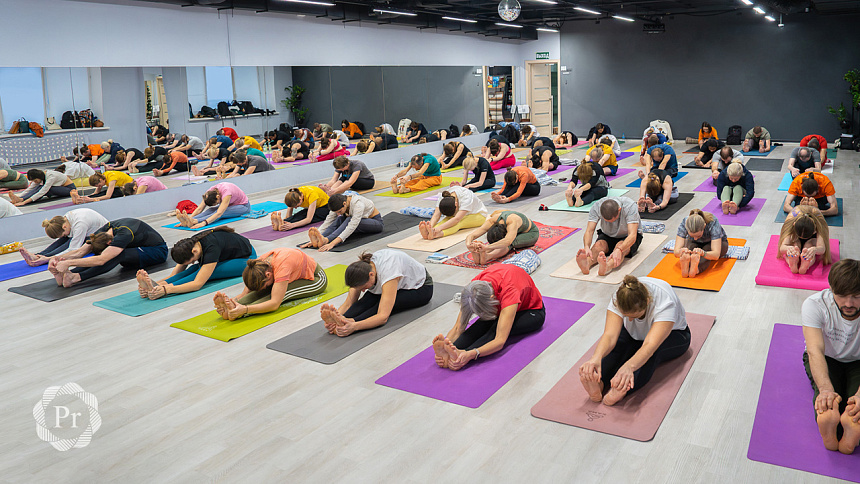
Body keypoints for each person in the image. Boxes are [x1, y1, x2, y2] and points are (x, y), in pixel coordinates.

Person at [579, 275, 689, 405]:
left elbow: (649, 345)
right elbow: (610, 335)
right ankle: (599, 383)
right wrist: (595, 358)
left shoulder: (665, 303)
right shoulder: (620, 297)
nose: (630, 320)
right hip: (636, 335)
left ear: (647, 302)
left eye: (635, 316)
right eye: (626, 316)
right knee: (619, 345)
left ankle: (621, 389)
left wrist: (628, 367)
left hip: (676, 335)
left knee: (650, 355)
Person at [433, 264, 544, 370]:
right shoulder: (474, 289)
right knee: (479, 326)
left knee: (494, 329)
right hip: (499, 307)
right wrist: (446, 346)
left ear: (491, 298)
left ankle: (460, 355)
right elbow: (459, 327)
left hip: (531, 311)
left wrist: (471, 354)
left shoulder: (510, 291)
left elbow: (500, 340)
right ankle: (454, 351)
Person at [800, 259, 860, 454]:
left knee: (855, 410)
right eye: (842, 296)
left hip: (858, 362)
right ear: (831, 289)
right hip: (826, 358)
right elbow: (814, 350)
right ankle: (830, 425)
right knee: (827, 402)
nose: (849, 303)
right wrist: (825, 389)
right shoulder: (814, 304)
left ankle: (849, 434)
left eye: (857, 296)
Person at [318, 250, 433, 337]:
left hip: (421, 288)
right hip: (394, 285)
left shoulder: (389, 273)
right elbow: (349, 303)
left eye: (363, 287)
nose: (362, 290)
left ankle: (350, 322)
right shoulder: (360, 270)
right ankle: (345, 321)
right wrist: (338, 317)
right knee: (367, 299)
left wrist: (355, 326)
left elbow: (382, 317)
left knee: (382, 304)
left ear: (371, 275)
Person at [136, 227, 256, 300]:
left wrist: (166, 290)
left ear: (194, 251)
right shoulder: (191, 244)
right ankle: (155, 287)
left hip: (246, 260)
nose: (193, 262)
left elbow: (198, 284)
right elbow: (179, 270)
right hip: (229, 255)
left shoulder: (211, 247)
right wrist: (157, 284)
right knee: (192, 269)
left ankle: (158, 288)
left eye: (192, 260)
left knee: (201, 272)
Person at [47, 217, 168, 288]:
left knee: (117, 255)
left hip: (157, 252)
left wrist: (68, 263)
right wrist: (56, 258)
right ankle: (67, 275)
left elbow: (102, 260)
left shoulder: (124, 234)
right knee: (106, 254)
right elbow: (80, 252)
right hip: (137, 251)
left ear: (110, 243)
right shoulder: (102, 231)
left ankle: (76, 277)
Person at [212, 248, 328, 321]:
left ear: (268, 275)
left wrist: (245, 309)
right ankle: (234, 307)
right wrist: (237, 299)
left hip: (316, 279)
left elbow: (274, 304)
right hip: (290, 273)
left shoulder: (282, 266)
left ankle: (237, 312)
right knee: (263, 289)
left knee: (280, 294)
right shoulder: (258, 264)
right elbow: (251, 286)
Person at [577, 197, 643, 276]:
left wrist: (619, 249)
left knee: (620, 246)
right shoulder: (596, 207)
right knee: (598, 245)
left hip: (627, 236)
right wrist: (586, 246)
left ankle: (607, 266)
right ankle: (587, 263)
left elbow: (632, 235)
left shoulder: (630, 206)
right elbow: (589, 231)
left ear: (619, 210)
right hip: (607, 234)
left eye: (613, 220)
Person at [19, 208, 108, 266]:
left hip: (101, 237)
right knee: (64, 239)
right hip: (88, 232)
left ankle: (42, 257)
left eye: (64, 233)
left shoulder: (80, 224)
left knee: (68, 241)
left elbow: (73, 250)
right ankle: (38, 255)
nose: (65, 235)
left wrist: (50, 259)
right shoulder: (64, 219)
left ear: (64, 227)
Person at [301, 193, 383, 252]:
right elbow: (328, 221)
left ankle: (326, 240)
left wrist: (332, 243)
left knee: (348, 220)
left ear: (344, 204)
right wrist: (318, 234)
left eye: (339, 211)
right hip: (360, 222)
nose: (338, 213)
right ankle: (322, 238)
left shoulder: (358, 204)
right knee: (340, 219)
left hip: (376, 223)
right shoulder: (338, 202)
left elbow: (351, 226)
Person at [464, 210, 538, 265]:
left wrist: (486, 247)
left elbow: (507, 241)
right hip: (515, 230)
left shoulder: (512, 222)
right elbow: (472, 235)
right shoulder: (492, 221)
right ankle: (479, 251)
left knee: (509, 243)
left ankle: (488, 256)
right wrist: (469, 244)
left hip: (530, 233)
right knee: (496, 244)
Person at [673, 209, 728, 278]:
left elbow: (716, 255)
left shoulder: (713, 222)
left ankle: (696, 269)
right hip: (695, 243)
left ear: (704, 226)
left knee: (706, 250)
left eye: (698, 236)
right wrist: (681, 251)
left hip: (715, 243)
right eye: (692, 236)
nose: (695, 238)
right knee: (689, 250)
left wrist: (703, 253)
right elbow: (676, 252)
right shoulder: (685, 222)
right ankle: (688, 268)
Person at [779, 205, 832, 274]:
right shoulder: (791, 220)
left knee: (809, 248)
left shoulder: (819, 224)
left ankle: (806, 265)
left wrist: (814, 249)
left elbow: (822, 249)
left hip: (812, 240)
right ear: (794, 225)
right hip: (795, 239)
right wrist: (788, 248)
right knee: (794, 247)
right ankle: (792, 262)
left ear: (814, 231)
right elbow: (782, 248)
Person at [419, 186, 488, 240]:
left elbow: (457, 219)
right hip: (459, 215)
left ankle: (436, 234)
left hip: (478, 215)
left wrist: (438, 229)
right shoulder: (444, 196)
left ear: (456, 204)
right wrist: (430, 226)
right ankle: (429, 232)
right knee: (447, 220)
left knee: (458, 223)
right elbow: (436, 215)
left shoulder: (466, 197)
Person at [175, 182, 252, 229]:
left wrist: (203, 222)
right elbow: (200, 208)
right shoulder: (209, 192)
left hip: (243, 206)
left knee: (222, 212)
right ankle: (191, 221)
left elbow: (219, 213)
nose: (217, 204)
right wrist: (188, 218)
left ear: (218, 197)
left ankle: (195, 221)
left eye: (216, 203)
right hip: (231, 205)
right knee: (210, 210)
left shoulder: (227, 193)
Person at [8, 169, 81, 206]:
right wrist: (20, 196)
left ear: (38, 177)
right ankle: (20, 198)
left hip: (69, 189)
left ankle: (21, 199)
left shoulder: (51, 176)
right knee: (38, 187)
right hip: (59, 188)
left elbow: (43, 192)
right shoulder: (41, 177)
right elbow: (30, 188)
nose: (35, 182)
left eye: (36, 180)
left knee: (45, 189)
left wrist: (24, 202)